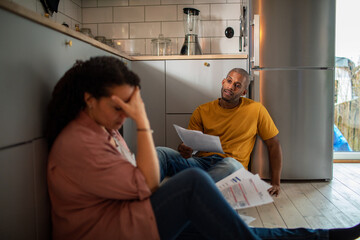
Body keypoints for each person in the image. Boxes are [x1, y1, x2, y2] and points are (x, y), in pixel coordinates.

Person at [46, 56, 360, 240]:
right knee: (187, 178)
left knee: (226, 226)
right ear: (89, 100)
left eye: (130, 103)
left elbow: (274, 144)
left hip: (223, 168)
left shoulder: (101, 129)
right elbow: (145, 183)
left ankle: (327, 236)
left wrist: (275, 180)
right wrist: (149, 127)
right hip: (125, 227)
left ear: (244, 89)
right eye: (120, 105)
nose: (126, 112)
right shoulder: (79, 142)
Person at [157, 68, 283, 196]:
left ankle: (190, 193)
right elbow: (190, 143)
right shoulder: (202, 110)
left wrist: (276, 182)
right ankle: (144, 195)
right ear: (223, 82)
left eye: (237, 85)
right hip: (201, 163)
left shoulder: (256, 110)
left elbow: (273, 144)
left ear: (243, 92)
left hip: (231, 166)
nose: (231, 87)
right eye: (229, 81)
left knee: (231, 164)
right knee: (161, 152)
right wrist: (184, 148)